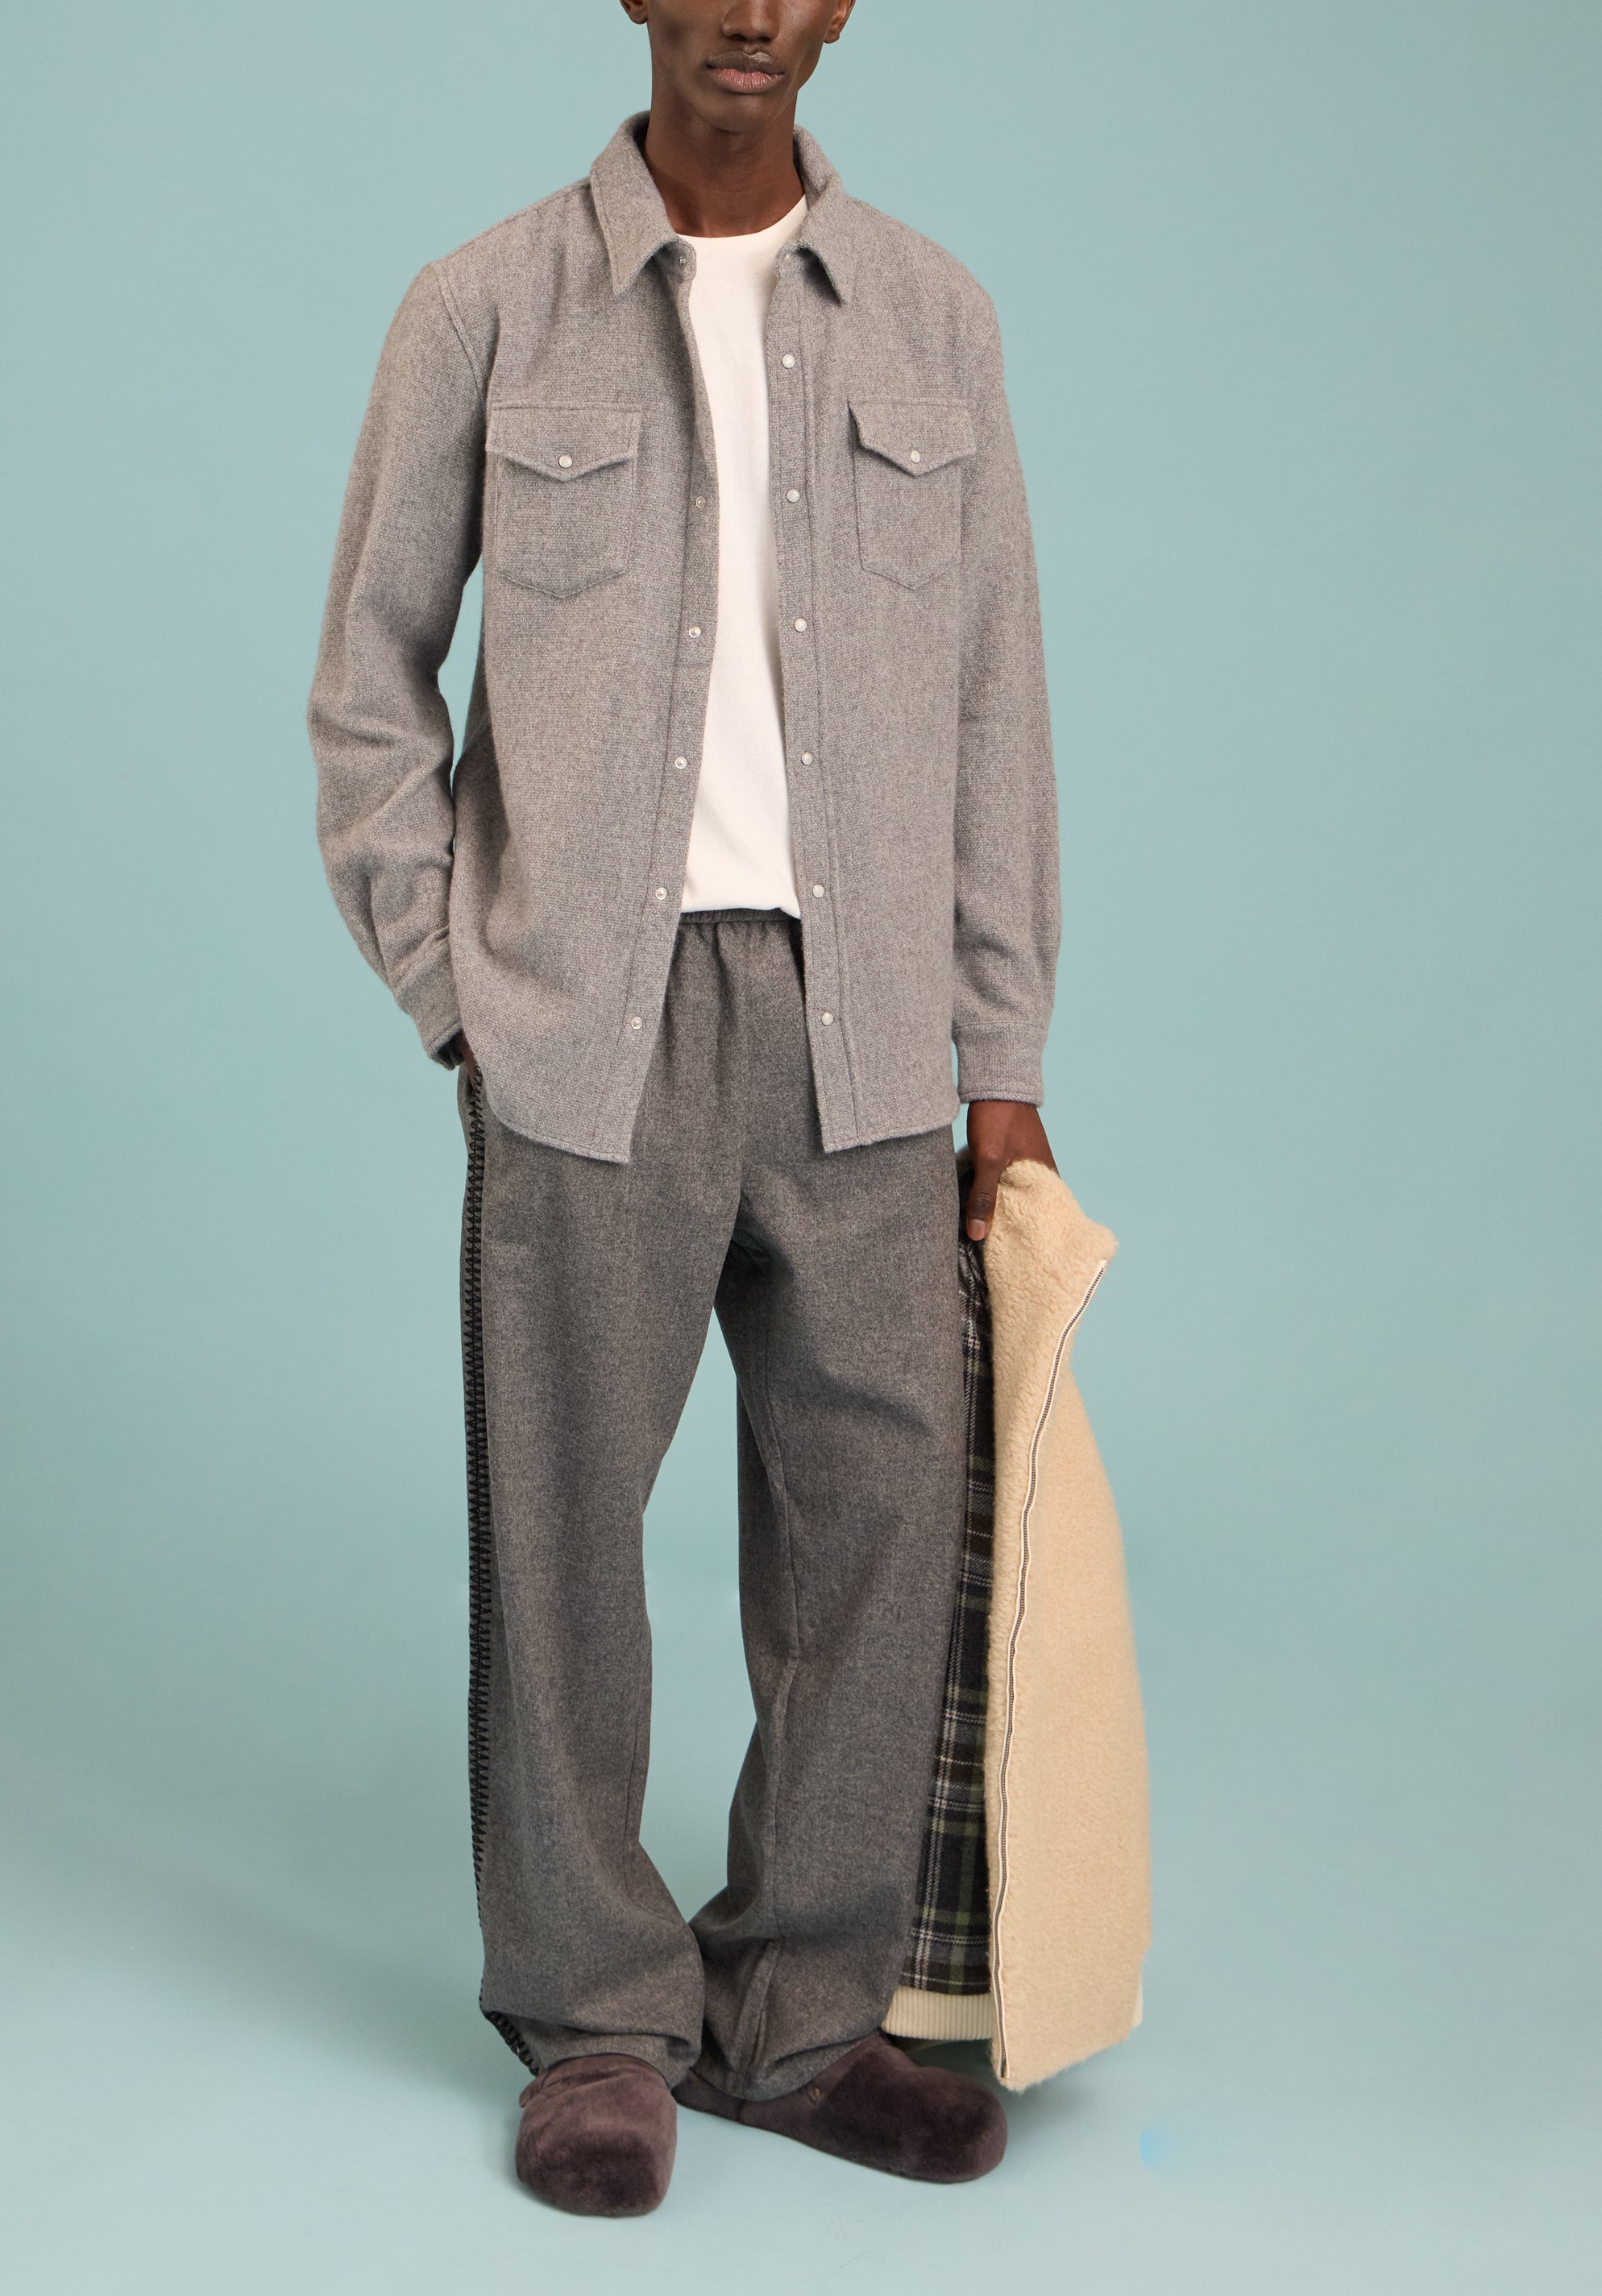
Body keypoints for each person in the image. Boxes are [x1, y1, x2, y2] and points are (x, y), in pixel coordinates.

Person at [309, 0, 1060, 2216]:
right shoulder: (482, 305)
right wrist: (462, 993)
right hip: (586, 1029)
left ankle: (800, 2017)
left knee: (875, 1531)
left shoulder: (933, 314)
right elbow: (368, 682)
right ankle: (598, 2027)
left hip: (867, 1030)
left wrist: (1002, 1062)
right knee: (564, 1539)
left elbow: (996, 700)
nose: (749, 10)